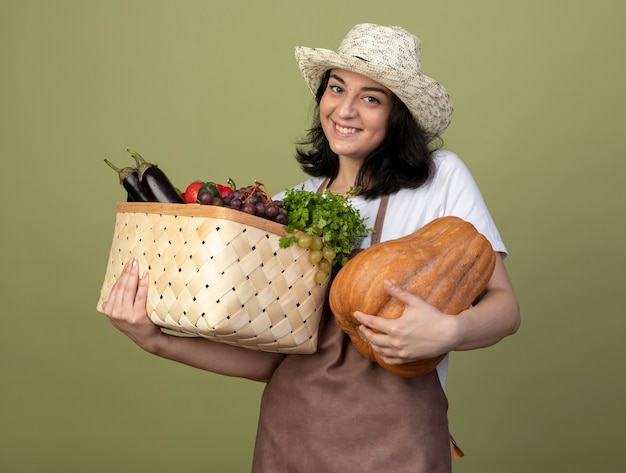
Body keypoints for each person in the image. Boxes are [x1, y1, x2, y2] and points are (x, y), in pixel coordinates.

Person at [102, 23, 520, 473]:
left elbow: (505, 308)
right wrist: (157, 340)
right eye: (336, 88)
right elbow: (272, 362)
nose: (346, 109)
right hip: (291, 439)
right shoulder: (287, 210)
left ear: (397, 115)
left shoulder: (439, 180)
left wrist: (448, 332)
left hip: (399, 443)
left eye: (371, 98)